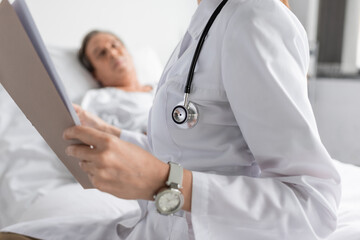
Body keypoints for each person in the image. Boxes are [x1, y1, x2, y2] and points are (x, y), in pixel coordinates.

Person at [1, 0, 341, 239]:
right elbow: (188, 152)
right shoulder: (201, 24)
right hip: (154, 225)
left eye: (116, 46)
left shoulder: (253, 17)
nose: (115, 54)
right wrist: (110, 134)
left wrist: (166, 182)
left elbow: (315, 207)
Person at [78, 30, 155, 133]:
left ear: (128, 52)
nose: (113, 53)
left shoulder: (164, 84)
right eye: (102, 53)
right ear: (95, 74)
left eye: (115, 45)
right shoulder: (96, 100)